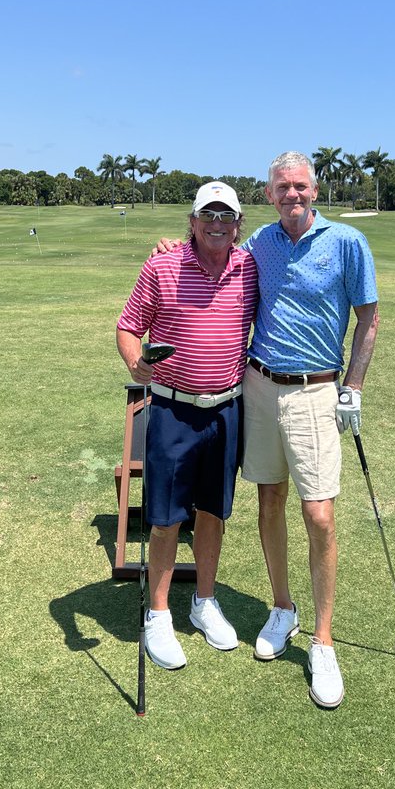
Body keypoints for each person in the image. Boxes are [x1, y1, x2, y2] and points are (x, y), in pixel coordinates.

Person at [241, 151, 378, 709]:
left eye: (299, 186)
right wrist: (169, 249)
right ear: (269, 194)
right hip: (260, 384)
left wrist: (354, 386)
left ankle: (322, 641)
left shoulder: (347, 243)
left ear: (314, 191)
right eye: (281, 188)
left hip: (317, 389)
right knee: (268, 499)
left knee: (318, 513)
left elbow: (367, 316)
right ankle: (283, 609)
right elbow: (215, 259)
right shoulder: (259, 245)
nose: (291, 195)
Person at [116, 182, 258, 670]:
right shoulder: (163, 263)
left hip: (227, 409)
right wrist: (136, 361)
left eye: (226, 217)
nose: (217, 225)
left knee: (213, 512)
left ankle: (203, 603)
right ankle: (158, 614)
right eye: (208, 216)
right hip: (174, 410)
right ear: (192, 221)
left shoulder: (248, 267)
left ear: (238, 224)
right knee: (165, 518)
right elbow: (129, 324)